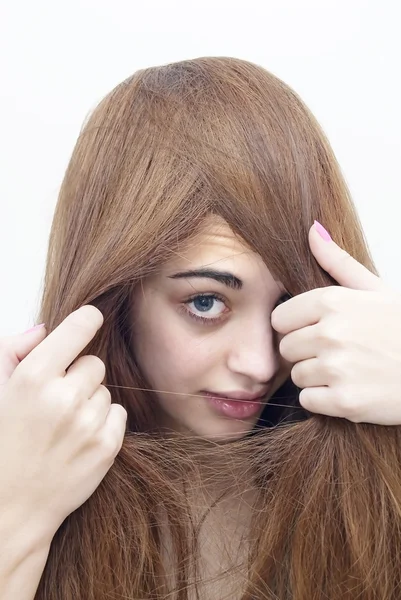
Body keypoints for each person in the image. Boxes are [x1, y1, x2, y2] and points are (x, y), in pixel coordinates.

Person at [1, 56, 401, 600]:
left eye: (291, 301)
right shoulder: (23, 480)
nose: (261, 363)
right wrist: (16, 511)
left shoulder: (363, 478)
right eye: (207, 302)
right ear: (118, 295)